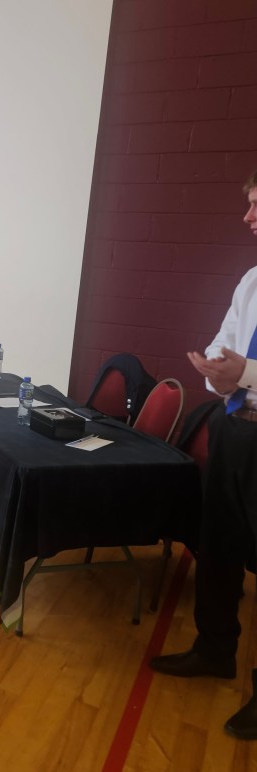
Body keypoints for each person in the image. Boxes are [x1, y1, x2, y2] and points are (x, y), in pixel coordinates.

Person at [150, 170, 257, 741]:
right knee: (218, 549)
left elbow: (248, 364)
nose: (248, 217)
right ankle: (214, 650)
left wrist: (248, 372)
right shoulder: (252, 280)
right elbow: (226, 341)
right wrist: (216, 371)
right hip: (235, 428)